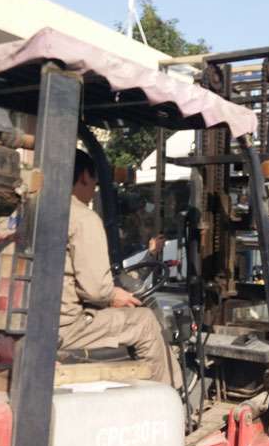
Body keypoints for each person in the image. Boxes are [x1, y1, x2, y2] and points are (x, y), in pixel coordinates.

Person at [59, 149, 182, 387]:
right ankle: (170, 396)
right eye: (94, 182)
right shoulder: (82, 218)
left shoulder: (22, 214)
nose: (93, 189)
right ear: (84, 176)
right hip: (67, 328)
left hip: (34, 322)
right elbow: (96, 291)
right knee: (144, 320)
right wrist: (113, 294)